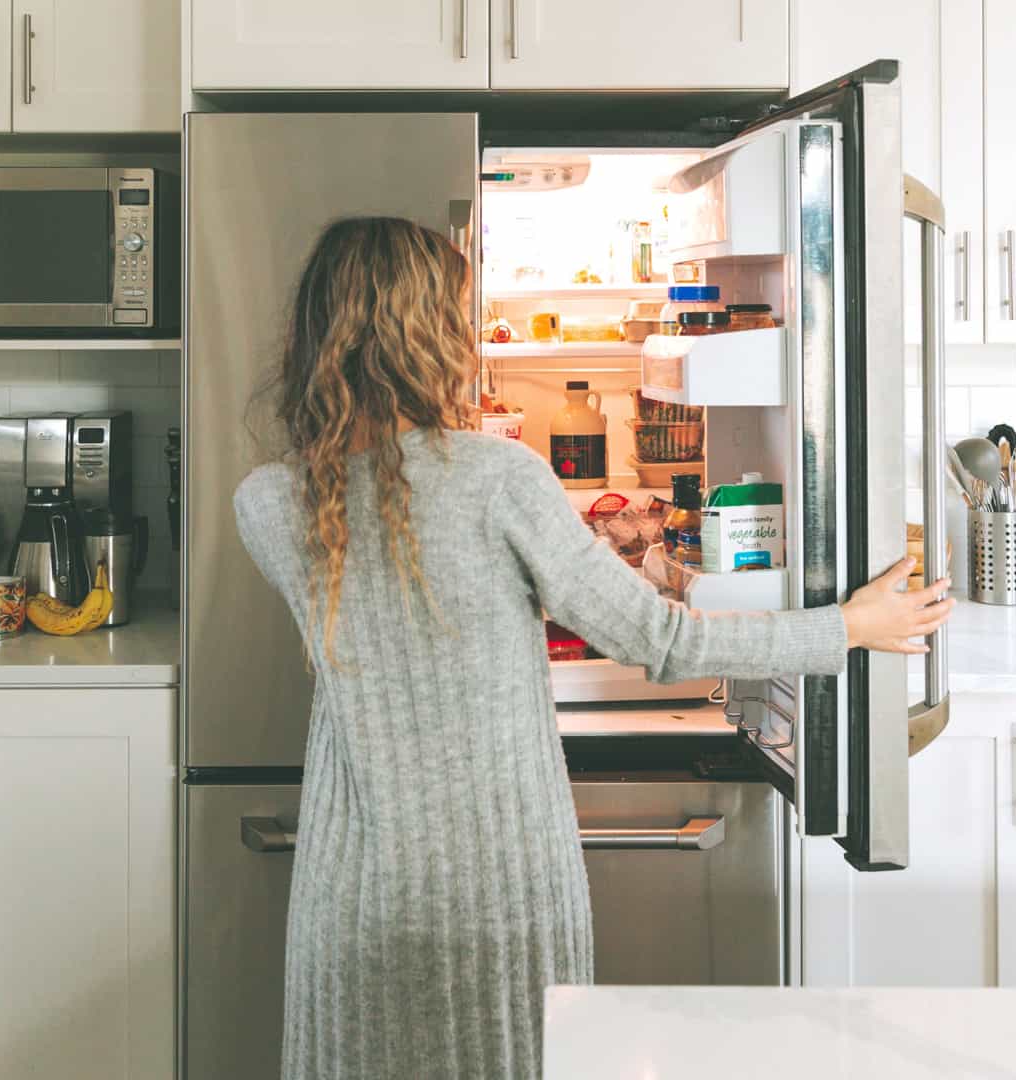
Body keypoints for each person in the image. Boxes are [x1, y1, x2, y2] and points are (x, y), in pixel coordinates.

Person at [233, 216, 954, 1080]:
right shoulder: (498, 480)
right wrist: (848, 627)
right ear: (428, 337)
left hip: (349, 900)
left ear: (319, 337)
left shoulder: (268, 503)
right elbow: (660, 639)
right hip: (501, 890)